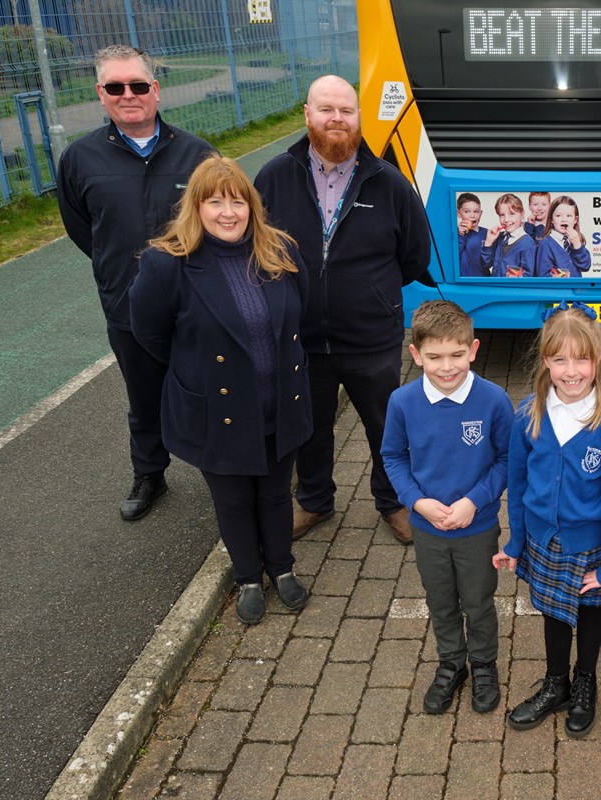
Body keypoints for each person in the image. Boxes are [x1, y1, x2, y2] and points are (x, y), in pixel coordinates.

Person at [129, 155, 313, 626]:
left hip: (279, 404)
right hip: (219, 412)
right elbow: (149, 333)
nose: (227, 212)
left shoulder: (280, 250)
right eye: (214, 202)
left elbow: (300, 312)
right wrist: (199, 375)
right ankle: (248, 576)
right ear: (196, 207)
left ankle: (282, 569)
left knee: (275, 495)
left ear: (252, 206)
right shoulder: (167, 263)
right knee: (232, 500)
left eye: (237, 201)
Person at [254, 75, 431, 544]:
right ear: (307, 115)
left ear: (358, 118)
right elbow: (257, 246)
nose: (337, 119)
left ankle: (393, 501)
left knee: (385, 426)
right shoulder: (274, 176)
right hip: (300, 334)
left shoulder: (390, 183)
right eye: (326, 109)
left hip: (371, 336)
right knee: (309, 426)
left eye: (346, 111)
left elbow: (414, 255)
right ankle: (314, 500)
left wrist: (369, 294)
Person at [57, 44, 214, 521]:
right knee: (143, 398)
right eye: (116, 87)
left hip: (194, 307)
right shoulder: (79, 159)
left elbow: (219, 225)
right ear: (100, 95)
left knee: (208, 391)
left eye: (139, 85)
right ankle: (150, 474)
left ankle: (223, 473)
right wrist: (119, 270)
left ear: (156, 90)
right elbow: (83, 229)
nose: (129, 95)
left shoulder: (198, 154)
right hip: (125, 307)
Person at [493, 302, 601, 738]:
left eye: (582, 359)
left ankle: (585, 681)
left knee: (589, 611)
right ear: (545, 362)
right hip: (542, 540)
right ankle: (556, 683)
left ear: (598, 360)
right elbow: (516, 485)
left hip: (590, 544)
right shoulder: (527, 414)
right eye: (559, 360)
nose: (571, 371)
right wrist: (515, 541)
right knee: (554, 612)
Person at [381, 301, 513, 714]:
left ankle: (484, 664)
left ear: (473, 349)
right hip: (428, 528)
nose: (447, 367)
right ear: (415, 354)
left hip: (477, 527)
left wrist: (474, 501)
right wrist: (417, 501)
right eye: (434, 357)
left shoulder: (493, 400)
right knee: (440, 601)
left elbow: (507, 459)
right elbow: (393, 457)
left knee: (478, 600)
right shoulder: (402, 403)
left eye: (457, 355)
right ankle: (452, 663)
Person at [480, 193, 537, 278]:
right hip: (495, 288)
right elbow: (486, 265)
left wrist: (517, 277)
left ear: (522, 214)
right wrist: (488, 242)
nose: (506, 219)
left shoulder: (528, 243)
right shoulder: (500, 237)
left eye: (512, 214)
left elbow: (527, 275)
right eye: (502, 215)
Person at [534, 196, 591, 278]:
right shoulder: (546, 243)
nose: (564, 220)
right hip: (557, 290)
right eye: (558, 216)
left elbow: (585, 266)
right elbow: (543, 275)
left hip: (575, 289)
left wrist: (577, 246)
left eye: (569, 216)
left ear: (575, 220)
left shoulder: (577, 239)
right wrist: (562, 275)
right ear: (552, 220)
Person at [456, 193, 489, 277]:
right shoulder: (454, 235)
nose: (472, 216)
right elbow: (452, 259)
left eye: (476, 212)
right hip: (463, 283)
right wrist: (460, 235)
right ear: (459, 213)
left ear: (480, 214)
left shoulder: (488, 234)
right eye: (467, 211)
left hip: (484, 282)